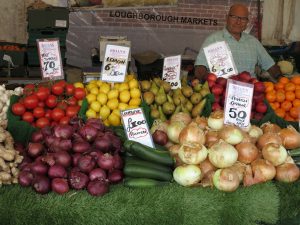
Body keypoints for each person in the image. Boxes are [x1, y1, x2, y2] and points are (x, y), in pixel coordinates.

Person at [194, 3, 282, 82]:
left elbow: (270, 65)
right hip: (221, 93)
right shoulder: (213, 40)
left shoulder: (253, 42)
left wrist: (283, 80)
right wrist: (207, 79)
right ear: (226, 17)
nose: (238, 22)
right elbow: (200, 67)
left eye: (243, 19)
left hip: (250, 93)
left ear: (247, 22)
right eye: (234, 17)